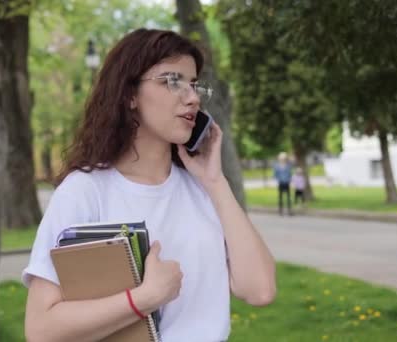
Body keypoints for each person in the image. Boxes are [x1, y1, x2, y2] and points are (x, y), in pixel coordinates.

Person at [22, 28, 276, 342]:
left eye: (194, 84)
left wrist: (215, 181)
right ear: (129, 95)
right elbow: (41, 329)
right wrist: (143, 299)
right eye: (172, 81)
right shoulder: (84, 192)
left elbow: (260, 290)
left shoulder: (204, 191)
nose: (193, 97)